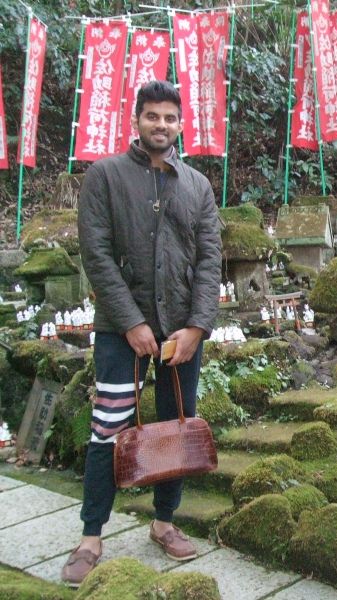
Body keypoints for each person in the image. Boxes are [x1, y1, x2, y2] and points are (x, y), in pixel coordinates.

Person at [62, 80, 222, 587]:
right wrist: (130, 321)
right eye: (152, 116)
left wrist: (197, 326)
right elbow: (97, 255)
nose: (161, 125)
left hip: (181, 332)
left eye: (170, 118)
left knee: (176, 424)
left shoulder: (196, 184)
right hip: (119, 330)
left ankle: (164, 522)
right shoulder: (105, 177)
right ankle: (91, 536)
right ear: (137, 120)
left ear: (180, 124)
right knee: (107, 429)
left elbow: (209, 259)